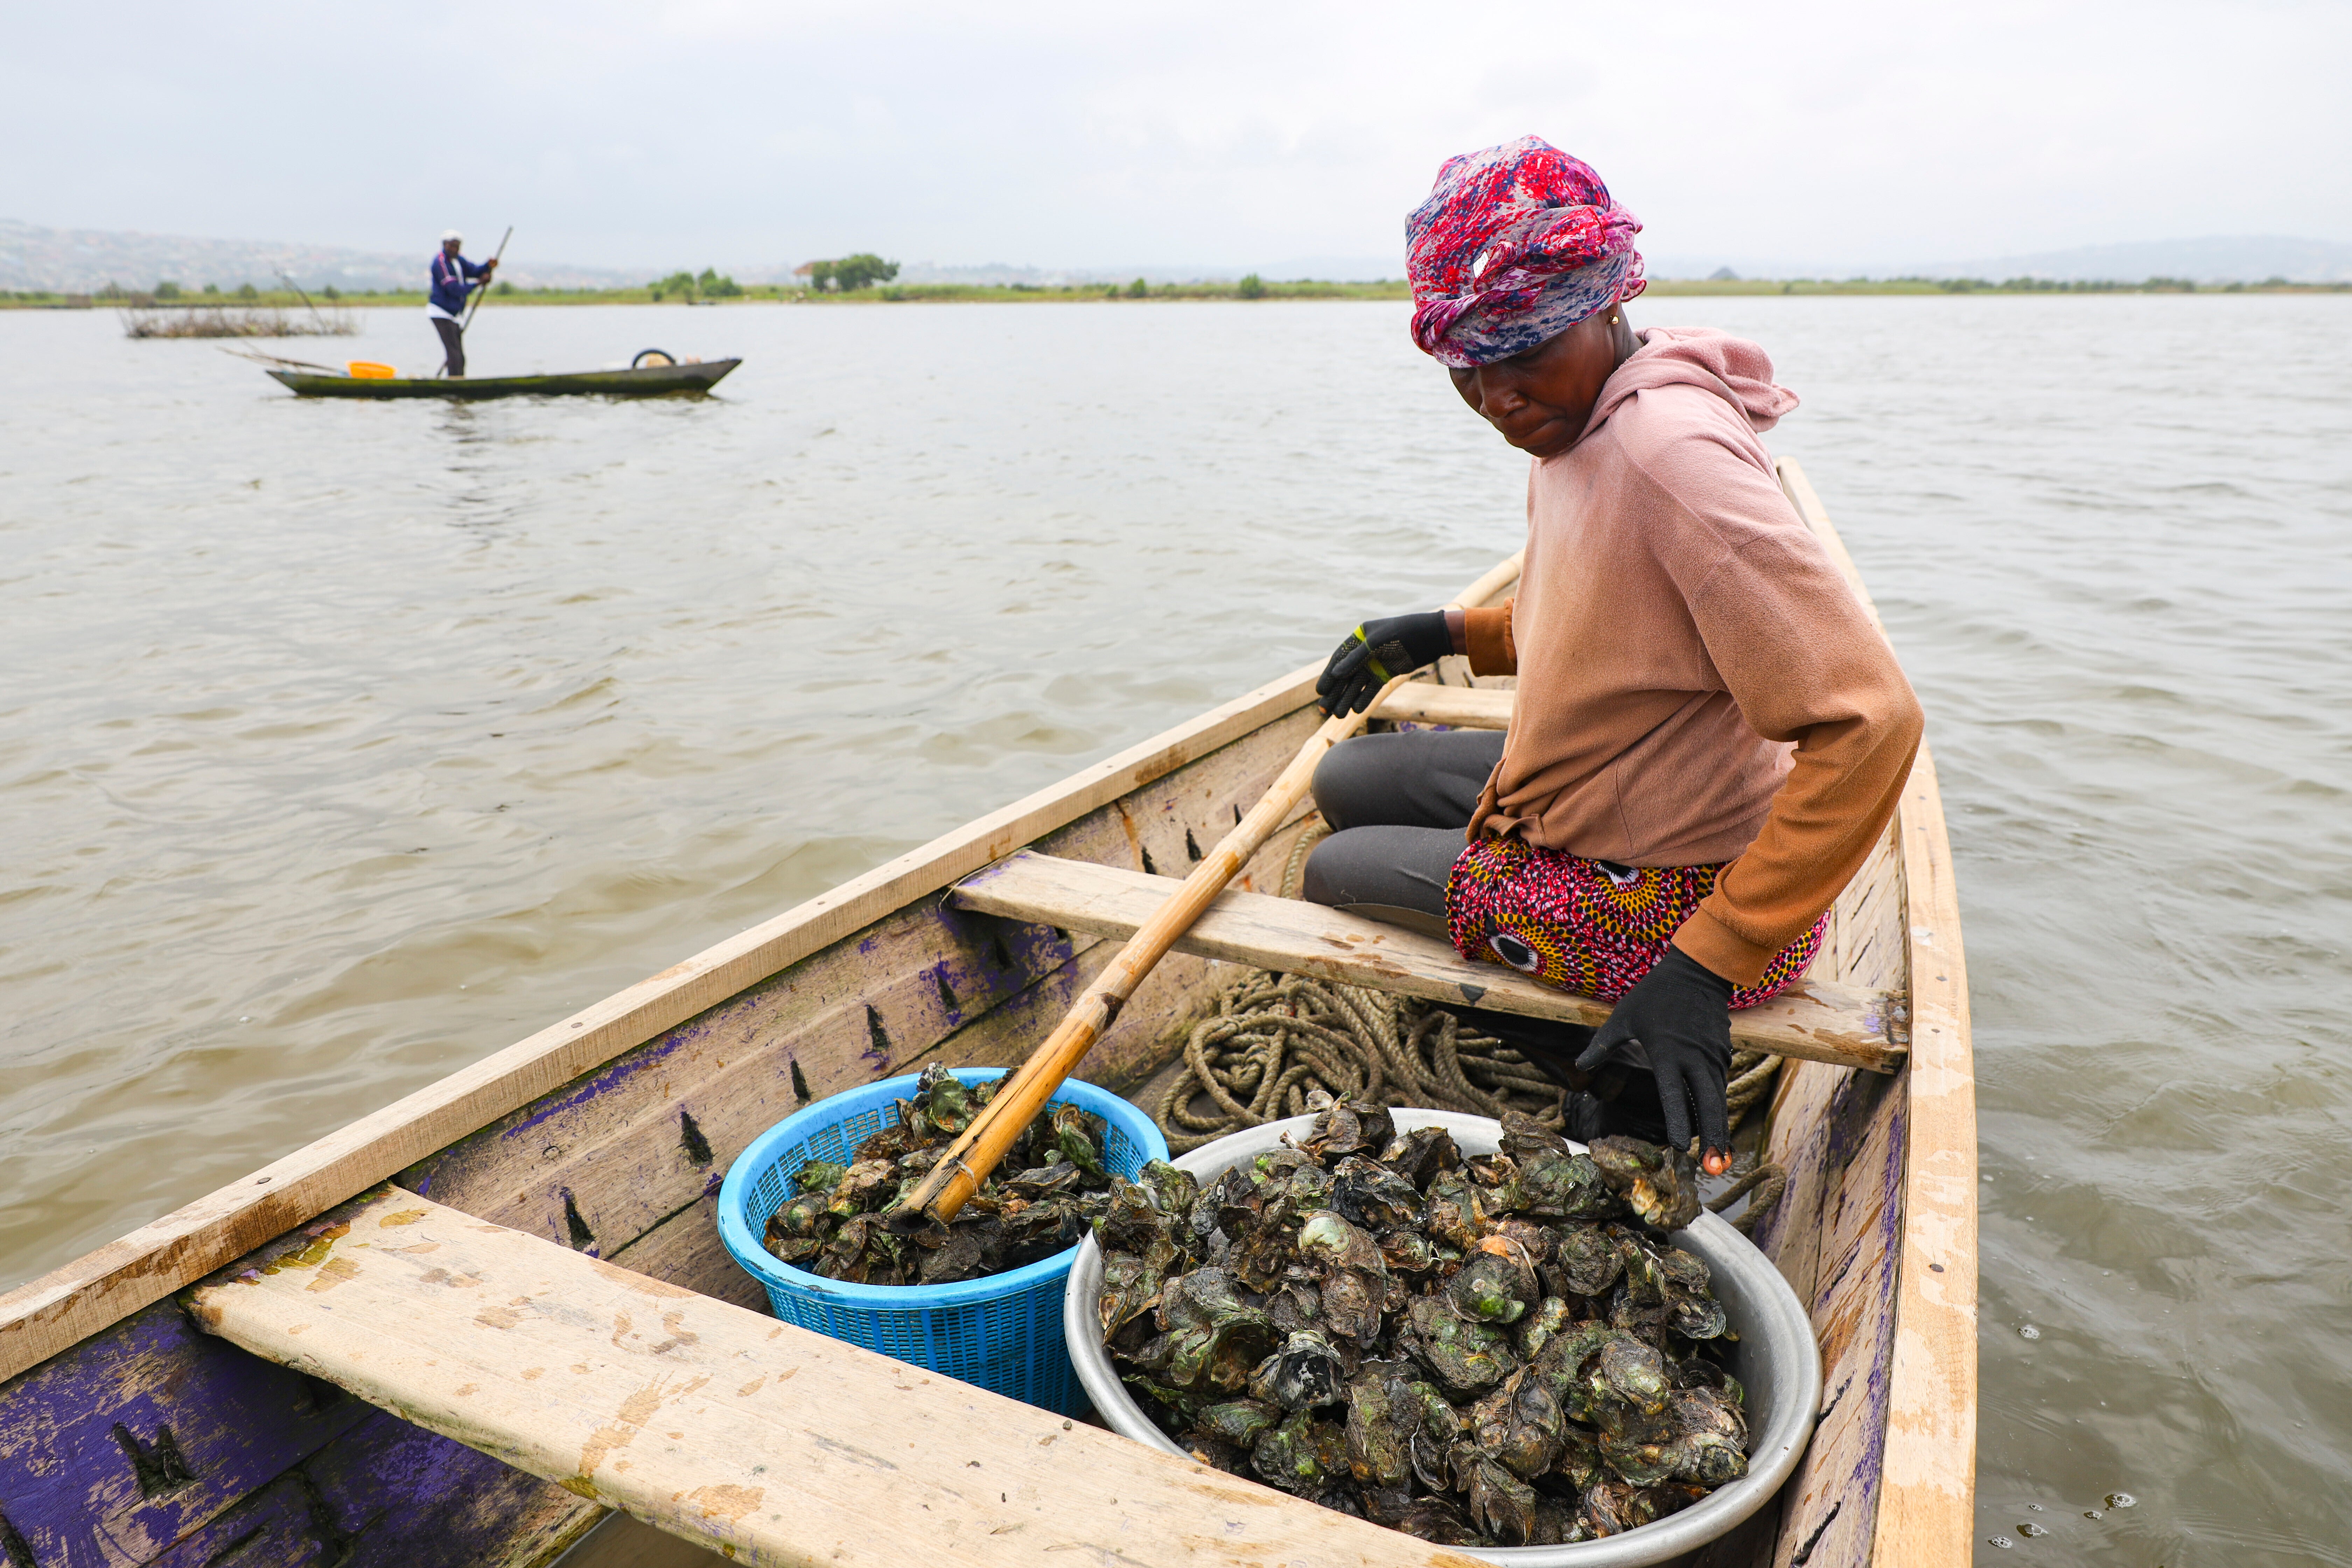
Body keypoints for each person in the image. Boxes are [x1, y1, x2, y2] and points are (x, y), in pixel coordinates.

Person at [1304, 138, 1923, 1174]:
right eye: (1469, 365)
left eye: (1523, 349)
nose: (1497, 396)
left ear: (1600, 303)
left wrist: (1703, 963)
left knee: (1329, 871)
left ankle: (1627, 1077)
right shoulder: (1580, 416)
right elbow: (1613, 622)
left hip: (1688, 893)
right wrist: (1447, 632)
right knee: (1340, 776)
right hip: (1619, 791)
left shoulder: (1663, 452)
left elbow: (1872, 721)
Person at [427, 230, 496, 376]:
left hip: (455, 314)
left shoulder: (459, 260)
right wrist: (478, 284)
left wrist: (488, 267)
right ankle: (455, 384)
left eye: (458, 247)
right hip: (442, 313)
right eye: (452, 246)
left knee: (459, 355)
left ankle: (458, 382)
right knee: (454, 354)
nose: (455, 250)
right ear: (445, 245)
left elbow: (475, 271)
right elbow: (453, 289)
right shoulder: (441, 263)